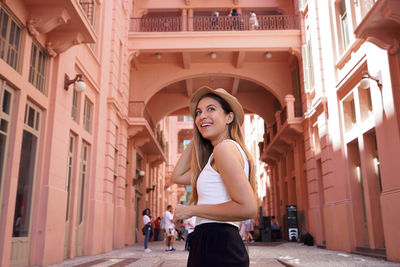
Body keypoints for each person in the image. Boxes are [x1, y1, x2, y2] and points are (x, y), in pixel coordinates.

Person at [172, 86, 257, 267]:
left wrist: (192, 210)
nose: (202, 115)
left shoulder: (224, 149)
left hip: (217, 244)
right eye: (198, 112)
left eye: (211, 109)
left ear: (229, 117)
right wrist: (199, 133)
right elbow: (178, 176)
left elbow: (248, 208)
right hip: (213, 242)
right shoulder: (218, 154)